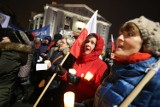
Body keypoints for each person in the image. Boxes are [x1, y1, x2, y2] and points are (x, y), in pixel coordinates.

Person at [94, 16, 160, 107]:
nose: (119, 38)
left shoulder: (155, 83)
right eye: (121, 33)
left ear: (146, 44)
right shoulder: (115, 70)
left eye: (129, 34)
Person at [51, 33, 108, 106]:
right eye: (87, 41)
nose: (88, 44)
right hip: (67, 101)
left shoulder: (101, 66)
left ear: (97, 47)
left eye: (92, 43)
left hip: (81, 104)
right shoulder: (79, 60)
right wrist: (63, 73)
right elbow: (70, 78)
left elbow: (96, 92)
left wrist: (78, 82)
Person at [0, 28, 32, 107]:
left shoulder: (12, 54)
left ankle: (25, 94)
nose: (3, 38)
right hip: (9, 84)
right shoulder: (8, 51)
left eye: (6, 36)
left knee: (24, 83)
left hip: (4, 89)